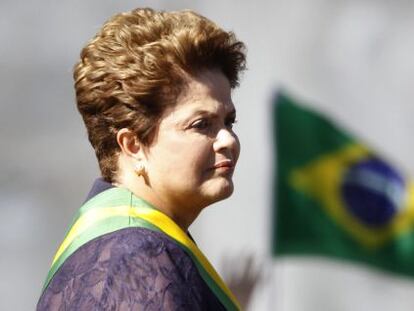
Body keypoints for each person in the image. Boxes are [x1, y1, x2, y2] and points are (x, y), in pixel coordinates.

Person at [37, 7, 246, 311]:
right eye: (201, 125)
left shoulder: (121, 248)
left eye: (229, 121)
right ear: (132, 145)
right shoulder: (137, 259)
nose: (228, 139)